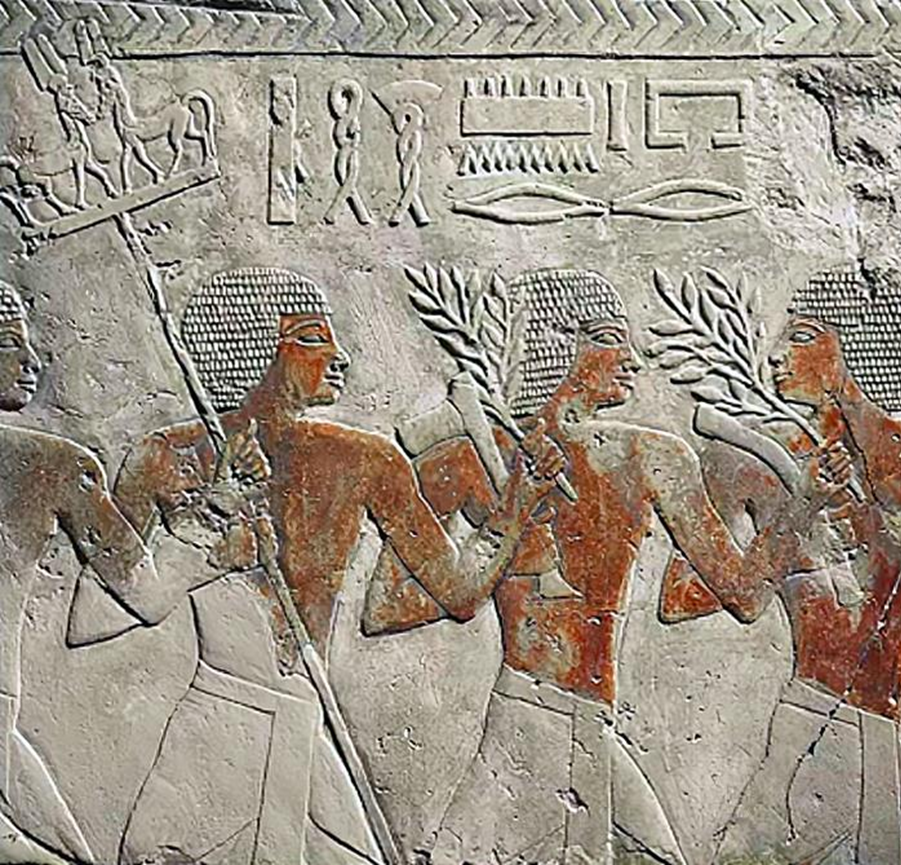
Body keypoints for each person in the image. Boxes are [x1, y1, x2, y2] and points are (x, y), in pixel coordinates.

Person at [363, 268, 850, 865]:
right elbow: (385, 608)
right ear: (551, 346)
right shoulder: (472, 456)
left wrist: (804, 505)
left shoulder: (650, 455)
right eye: (609, 337)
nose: (632, 358)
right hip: (532, 722)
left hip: (591, 724)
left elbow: (745, 594)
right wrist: (509, 520)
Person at [102, 267, 560, 865]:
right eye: (313, 339)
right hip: (218, 737)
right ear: (248, 349)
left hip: (300, 720)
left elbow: (458, 593)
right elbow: (99, 617)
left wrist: (514, 509)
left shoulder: (365, 459)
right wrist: (208, 529)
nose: (340, 356)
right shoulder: (168, 455)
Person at [701, 269, 901, 865]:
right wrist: (799, 510)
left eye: (801, 335)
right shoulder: (765, 461)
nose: (775, 353)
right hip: (820, 724)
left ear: (862, 347)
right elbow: (697, 598)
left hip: (861, 728)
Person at [0, 280, 162, 864]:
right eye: (9, 343)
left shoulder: (54, 464)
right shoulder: (54, 464)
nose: (32, 362)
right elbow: (146, 594)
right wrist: (201, 541)